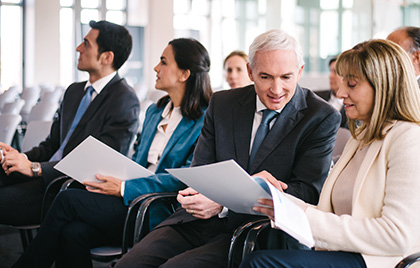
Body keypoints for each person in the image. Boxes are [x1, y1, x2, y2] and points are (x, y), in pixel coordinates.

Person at [114, 29, 341, 268]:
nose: (276, 89)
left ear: (300, 71)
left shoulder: (321, 117)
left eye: (286, 77)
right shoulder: (223, 103)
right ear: (251, 72)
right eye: (265, 77)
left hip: (258, 231)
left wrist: (224, 202)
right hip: (198, 221)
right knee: (129, 264)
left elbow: (306, 192)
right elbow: (201, 170)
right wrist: (197, 195)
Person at [11, 37, 213, 268]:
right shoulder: (155, 112)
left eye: (164, 62)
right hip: (128, 201)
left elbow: (184, 176)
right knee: (73, 232)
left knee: (68, 200)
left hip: (156, 207)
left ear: (184, 74)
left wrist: (125, 188)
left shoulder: (204, 121)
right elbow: (137, 161)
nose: (156, 68)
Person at [239, 39, 420, 268]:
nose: (340, 92)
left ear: (385, 87)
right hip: (347, 253)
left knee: (262, 262)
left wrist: (304, 217)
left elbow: (396, 236)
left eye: (352, 84)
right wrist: (279, 202)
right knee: (259, 257)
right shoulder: (362, 137)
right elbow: (329, 213)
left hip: (381, 261)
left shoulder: (409, 139)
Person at [0, 20, 140, 227]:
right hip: (45, 173)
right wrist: (20, 158)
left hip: (66, 186)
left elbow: (97, 165)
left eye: (86, 44)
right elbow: (52, 145)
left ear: (107, 57)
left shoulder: (124, 99)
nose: (78, 48)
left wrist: (35, 168)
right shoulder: (74, 91)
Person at [315, 57, 348, 128]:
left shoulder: (352, 104)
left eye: (335, 72)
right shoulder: (316, 97)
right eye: (330, 71)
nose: (330, 76)